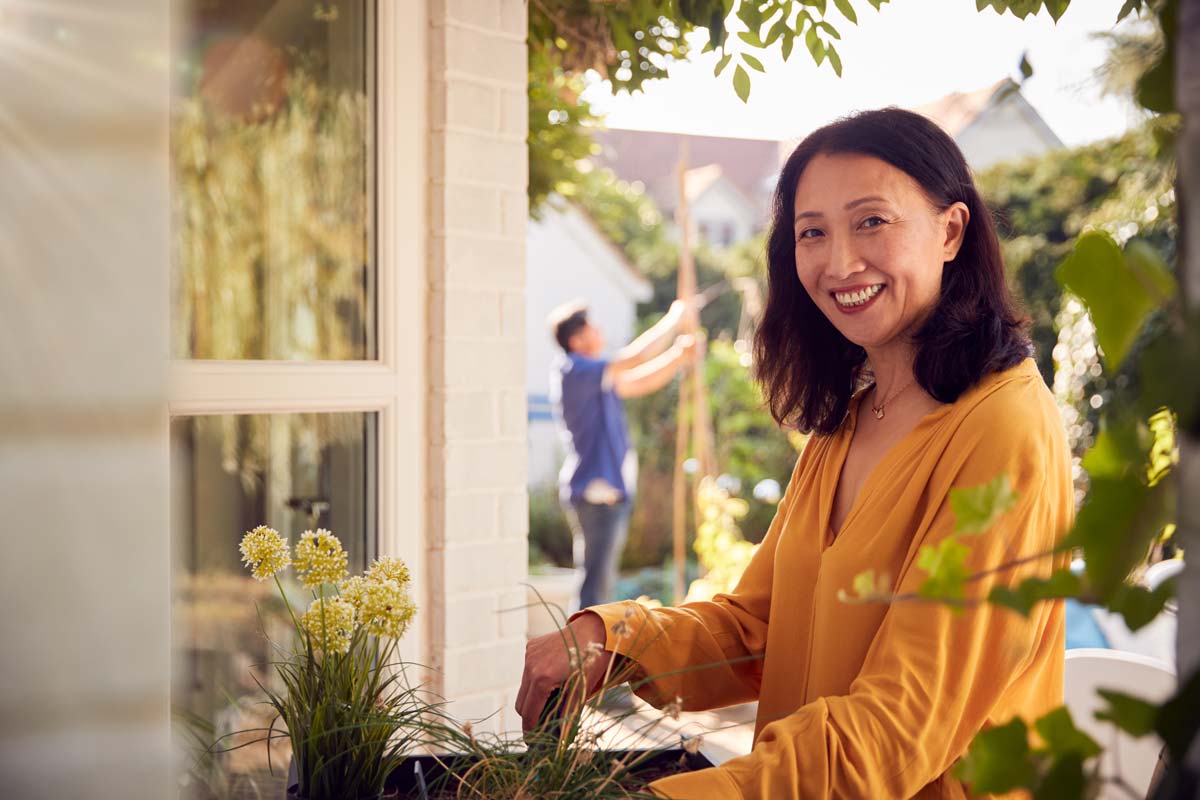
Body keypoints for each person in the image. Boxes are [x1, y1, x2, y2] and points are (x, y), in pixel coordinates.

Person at [518, 108, 1073, 799]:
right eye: (813, 232)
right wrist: (611, 638)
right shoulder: (848, 415)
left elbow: (901, 726)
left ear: (951, 231)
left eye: (872, 221)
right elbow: (760, 628)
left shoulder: (1003, 429)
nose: (840, 262)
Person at [547, 298, 700, 611]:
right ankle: (585, 655)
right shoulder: (576, 370)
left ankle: (589, 652)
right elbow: (635, 358)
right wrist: (674, 318)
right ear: (577, 340)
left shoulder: (594, 378)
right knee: (595, 585)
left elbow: (640, 381)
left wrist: (678, 356)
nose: (600, 332)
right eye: (593, 328)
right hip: (597, 495)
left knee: (600, 582)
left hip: (605, 495)